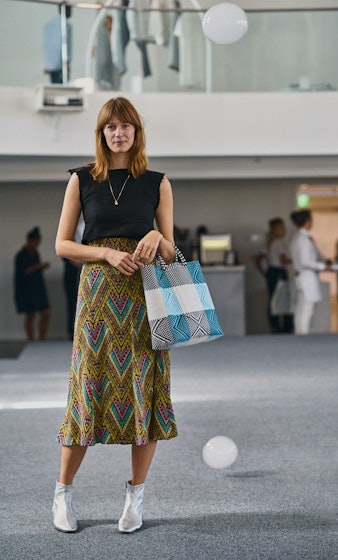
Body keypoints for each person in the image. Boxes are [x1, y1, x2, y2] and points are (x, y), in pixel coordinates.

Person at [53, 96, 178, 534]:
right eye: (111, 127)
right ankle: (63, 493)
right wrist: (105, 252)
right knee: (87, 390)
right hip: (98, 300)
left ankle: (135, 499)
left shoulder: (158, 183)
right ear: (102, 133)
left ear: (136, 132)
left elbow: (172, 252)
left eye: (126, 126)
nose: (118, 133)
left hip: (146, 300)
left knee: (144, 394)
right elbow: (63, 245)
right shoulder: (82, 179)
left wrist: (156, 235)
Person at [289, 209, 332, 335]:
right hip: (306, 276)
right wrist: (323, 266)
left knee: (302, 307)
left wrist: (325, 261)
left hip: (303, 276)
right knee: (307, 308)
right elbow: (305, 261)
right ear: (307, 221)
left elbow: (315, 254)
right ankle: (303, 335)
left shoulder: (300, 238)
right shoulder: (302, 239)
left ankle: (301, 333)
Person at [256, 217, 293, 334]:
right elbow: (283, 261)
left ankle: (274, 326)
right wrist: (294, 261)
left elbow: (258, 260)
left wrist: (265, 273)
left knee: (273, 300)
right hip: (280, 272)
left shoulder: (268, 242)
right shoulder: (279, 243)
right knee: (285, 299)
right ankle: (287, 327)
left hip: (271, 272)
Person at [14, 227, 51, 341]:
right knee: (30, 315)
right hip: (26, 289)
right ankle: (31, 340)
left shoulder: (35, 253)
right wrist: (38, 266)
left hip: (38, 288)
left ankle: (41, 339)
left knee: (46, 313)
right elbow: (25, 272)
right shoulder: (21, 255)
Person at [43, 6, 72, 84]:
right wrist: (67, 63)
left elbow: (47, 45)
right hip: (61, 64)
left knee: (55, 89)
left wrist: (47, 64)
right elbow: (66, 45)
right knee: (63, 90)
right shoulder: (66, 25)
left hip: (51, 64)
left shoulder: (49, 24)